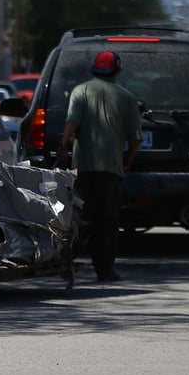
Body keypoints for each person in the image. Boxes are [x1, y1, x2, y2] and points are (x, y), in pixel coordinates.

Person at [58, 50, 142, 282]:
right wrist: (127, 162)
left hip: (83, 168)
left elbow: (72, 122)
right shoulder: (126, 96)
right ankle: (105, 270)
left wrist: (63, 146)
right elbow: (135, 138)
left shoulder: (80, 91)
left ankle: (67, 264)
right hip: (111, 170)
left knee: (80, 217)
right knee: (107, 220)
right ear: (116, 70)